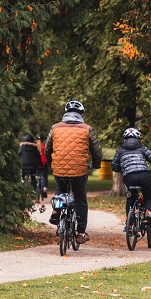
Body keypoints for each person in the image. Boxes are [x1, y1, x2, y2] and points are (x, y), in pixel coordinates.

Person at [45, 100, 103, 243]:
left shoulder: (55, 128)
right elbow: (96, 151)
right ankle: (81, 233)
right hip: (79, 171)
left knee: (61, 188)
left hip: (58, 168)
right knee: (80, 199)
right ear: (81, 114)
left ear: (65, 113)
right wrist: (96, 165)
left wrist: (51, 163)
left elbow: (47, 149)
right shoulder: (87, 129)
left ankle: (56, 210)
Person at [111, 127, 151, 225]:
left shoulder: (120, 150)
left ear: (125, 139)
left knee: (131, 198)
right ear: (138, 139)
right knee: (148, 196)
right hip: (144, 175)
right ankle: (148, 212)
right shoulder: (142, 148)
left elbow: (114, 166)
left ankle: (129, 224)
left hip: (129, 177)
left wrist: (123, 168)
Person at [35, 133, 48, 198]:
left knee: (37, 176)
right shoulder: (44, 146)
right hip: (43, 163)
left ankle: (37, 187)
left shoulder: (35, 147)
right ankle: (44, 188)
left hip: (37, 164)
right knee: (44, 176)